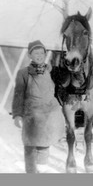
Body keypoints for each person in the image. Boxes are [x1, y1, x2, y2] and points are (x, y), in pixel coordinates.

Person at [12, 40, 65, 173]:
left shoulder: (51, 71)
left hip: (48, 115)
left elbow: (61, 89)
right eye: (36, 53)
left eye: (42, 52)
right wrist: (17, 114)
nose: (39, 55)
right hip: (31, 115)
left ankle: (41, 173)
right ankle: (31, 174)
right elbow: (18, 94)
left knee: (44, 145)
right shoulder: (23, 73)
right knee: (30, 145)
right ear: (29, 55)